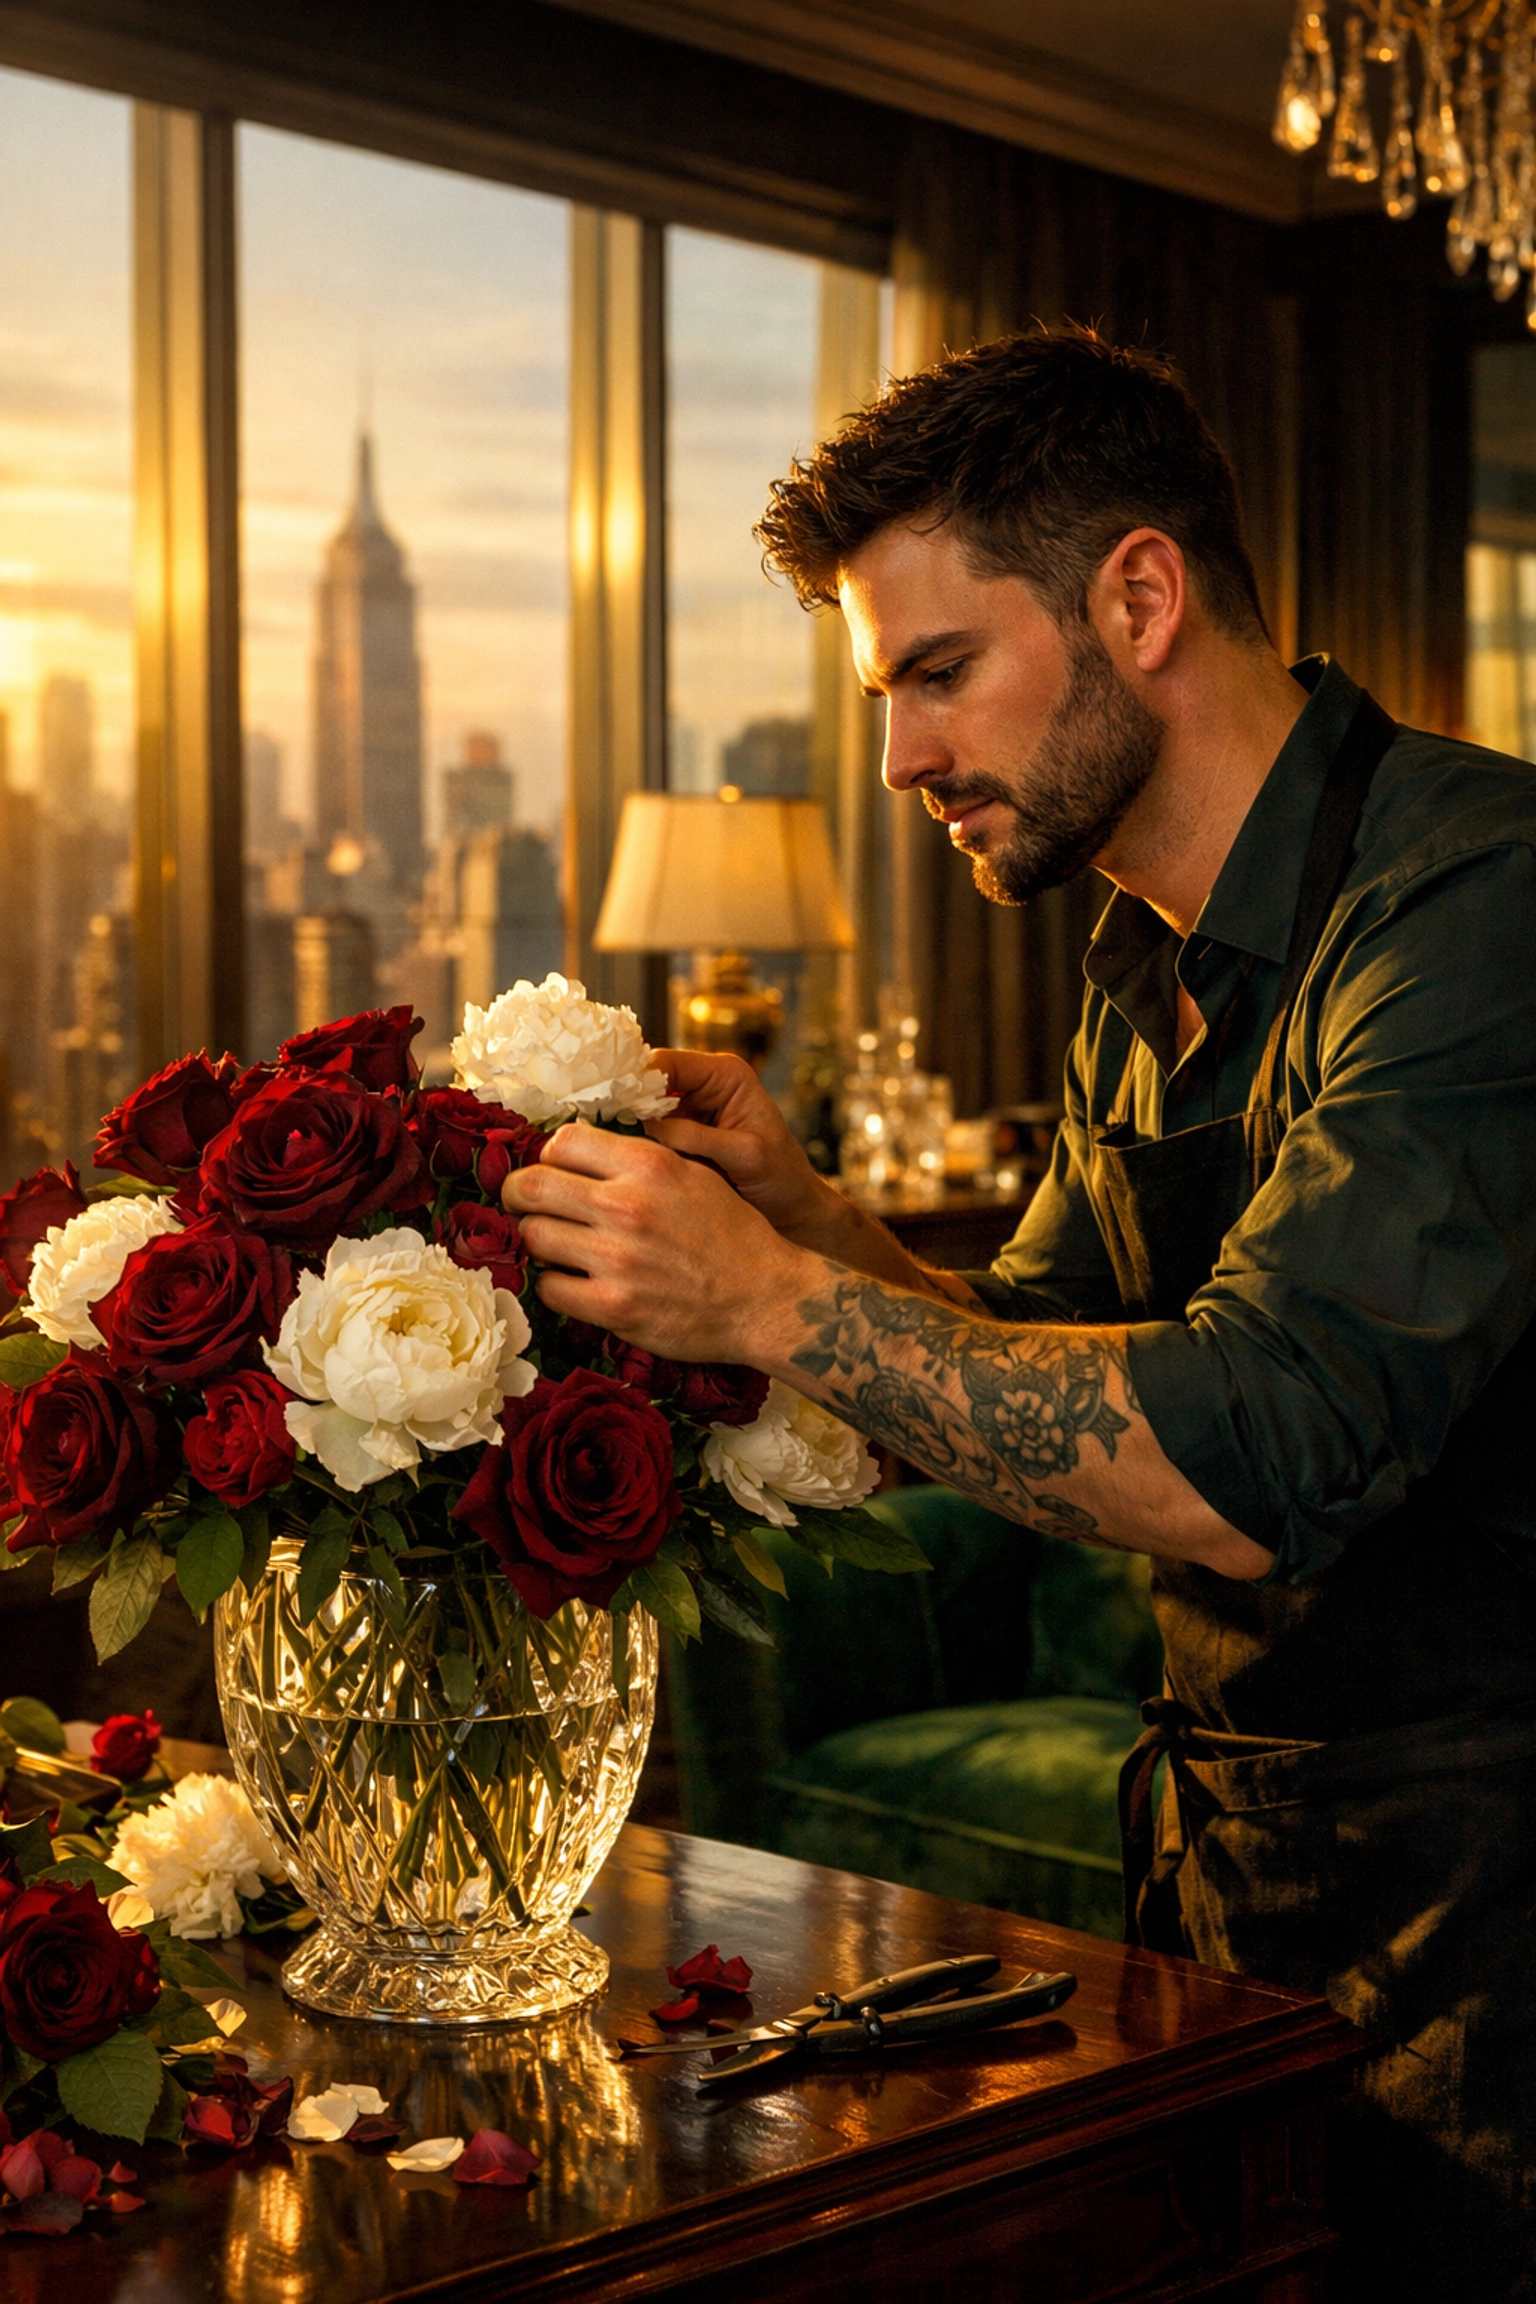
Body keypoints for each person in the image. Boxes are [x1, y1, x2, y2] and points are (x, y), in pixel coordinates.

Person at [504, 328, 1536, 2296]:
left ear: (1137, 595)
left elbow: (1253, 1459)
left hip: (1502, 1910)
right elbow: (1026, 1370)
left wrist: (785, 1298)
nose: (898, 758)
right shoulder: (1134, 961)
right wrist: (812, 1222)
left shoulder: (1478, 896)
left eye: (938, 675)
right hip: (1232, 1870)